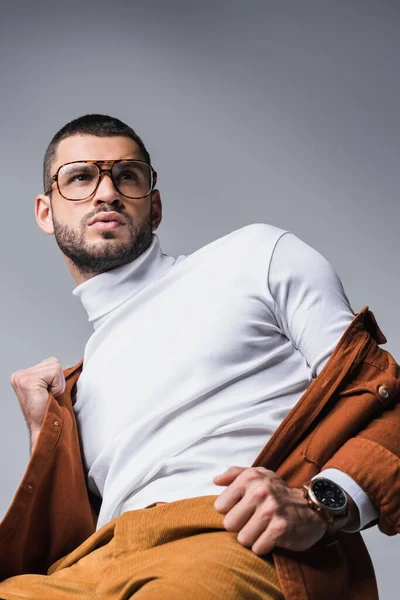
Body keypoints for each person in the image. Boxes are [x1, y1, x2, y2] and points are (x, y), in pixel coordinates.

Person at [0, 114, 398, 599]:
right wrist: (46, 436)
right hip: (88, 566)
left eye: (128, 176)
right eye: (81, 177)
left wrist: (322, 505)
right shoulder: (75, 389)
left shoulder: (255, 256)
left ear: (155, 205)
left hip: (220, 535)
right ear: (45, 212)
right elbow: (65, 537)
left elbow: (384, 395)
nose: (107, 192)